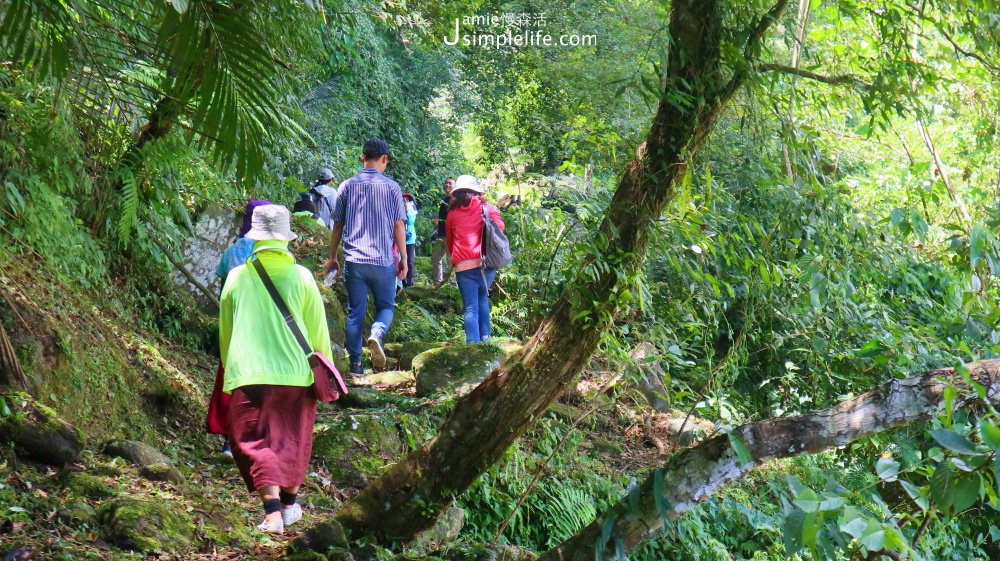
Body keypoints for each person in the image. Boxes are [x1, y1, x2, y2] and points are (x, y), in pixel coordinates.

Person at [219, 204, 331, 534]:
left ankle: (273, 513)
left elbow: (225, 328)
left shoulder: (237, 277)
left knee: (252, 440)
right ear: (286, 239)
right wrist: (324, 367)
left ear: (254, 238)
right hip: (297, 374)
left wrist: (229, 364)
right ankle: (288, 505)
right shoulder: (303, 277)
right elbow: (318, 331)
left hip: (249, 372)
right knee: (295, 439)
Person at [325, 139, 407, 376]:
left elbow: (337, 225)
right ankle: (377, 333)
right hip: (383, 261)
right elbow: (398, 225)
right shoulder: (392, 188)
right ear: (384, 159)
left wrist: (332, 257)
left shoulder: (347, 186)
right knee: (385, 307)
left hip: (355, 262)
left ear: (363, 158)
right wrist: (404, 258)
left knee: (355, 312)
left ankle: (356, 367)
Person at [211, 200, 272, 459]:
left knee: (231, 383)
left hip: (234, 327)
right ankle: (252, 441)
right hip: (261, 329)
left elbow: (223, 288)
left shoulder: (231, 251)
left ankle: (228, 442)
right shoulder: (270, 253)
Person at [446, 175, 505, 344]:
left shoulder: (452, 213)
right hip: (486, 263)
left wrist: (456, 259)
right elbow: (500, 227)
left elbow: (450, 241)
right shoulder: (486, 207)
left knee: (470, 307)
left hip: (463, 265)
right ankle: (486, 339)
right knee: (482, 299)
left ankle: (472, 344)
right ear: (476, 191)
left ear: (457, 193)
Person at [430, 178, 455, 287]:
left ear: (455, 185)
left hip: (451, 236)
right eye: (446, 182)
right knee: (435, 258)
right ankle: (438, 282)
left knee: (451, 261)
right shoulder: (445, 199)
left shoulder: (455, 199)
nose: (447, 184)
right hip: (441, 235)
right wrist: (438, 222)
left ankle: (453, 286)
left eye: (450, 183)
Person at [402, 193, 418, 288]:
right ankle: (402, 282)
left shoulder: (412, 209)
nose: (405, 201)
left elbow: (410, 221)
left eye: (406, 199)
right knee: (401, 260)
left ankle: (410, 282)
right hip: (400, 239)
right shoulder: (397, 208)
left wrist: (407, 210)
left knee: (410, 261)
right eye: (403, 199)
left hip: (410, 239)